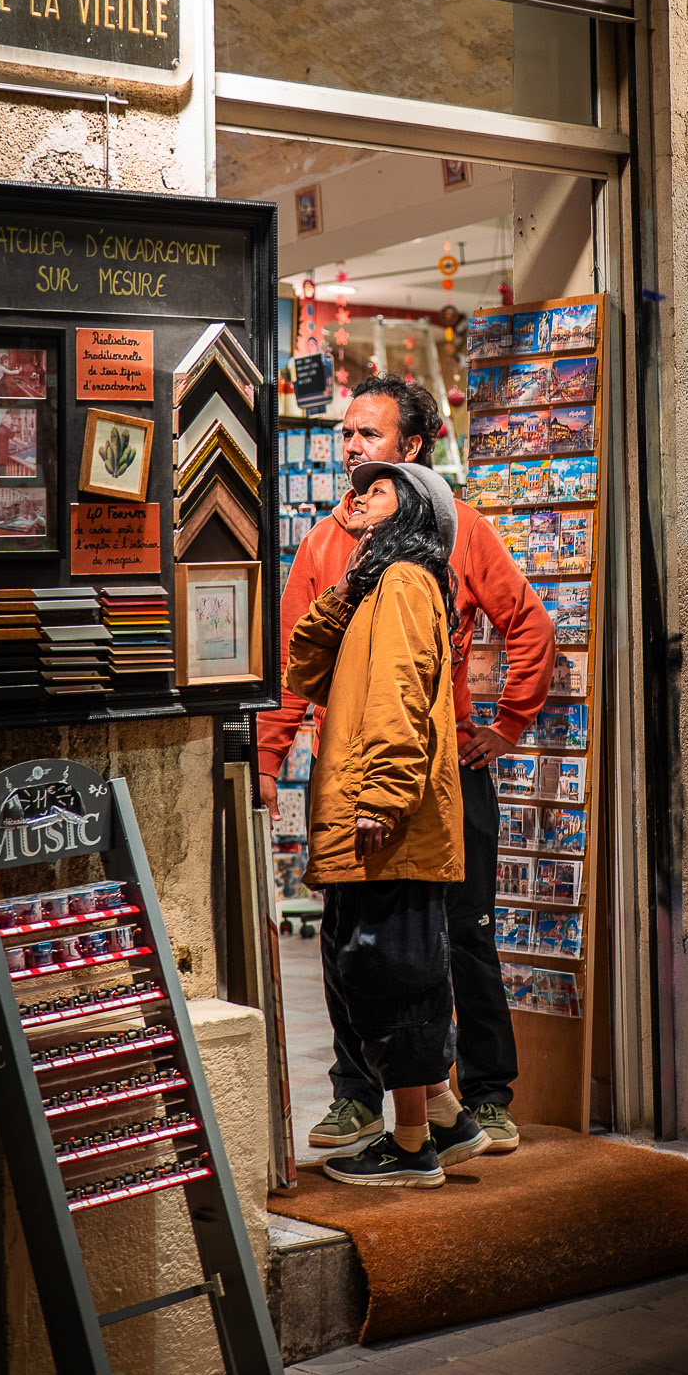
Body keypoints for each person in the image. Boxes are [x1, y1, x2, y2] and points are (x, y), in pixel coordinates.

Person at [259, 374, 556, 1156]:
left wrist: (507, 724)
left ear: (412, 449)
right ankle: (361, 1097)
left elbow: (528, 624)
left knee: (462, 935)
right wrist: (267, 759)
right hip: (352, 777)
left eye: (370, 435)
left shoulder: (454, 531)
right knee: (355, 946)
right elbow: (293, 663)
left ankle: (482, 1098)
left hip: (439, 772)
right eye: (346, 433)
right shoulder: (325, 542)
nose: (352, 448)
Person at [286, 460, 478, 1187]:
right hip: (368, 812)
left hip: (386, 819)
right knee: (373, 971)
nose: (360, 494)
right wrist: (344, 588)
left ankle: (410, 1145)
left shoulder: (404, 582)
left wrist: (384, 797)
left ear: (415, 512)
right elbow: (306, 670)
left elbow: (400, 691)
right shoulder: (377, 585)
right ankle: (448, 1122)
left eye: (380, 487)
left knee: (389, 975)